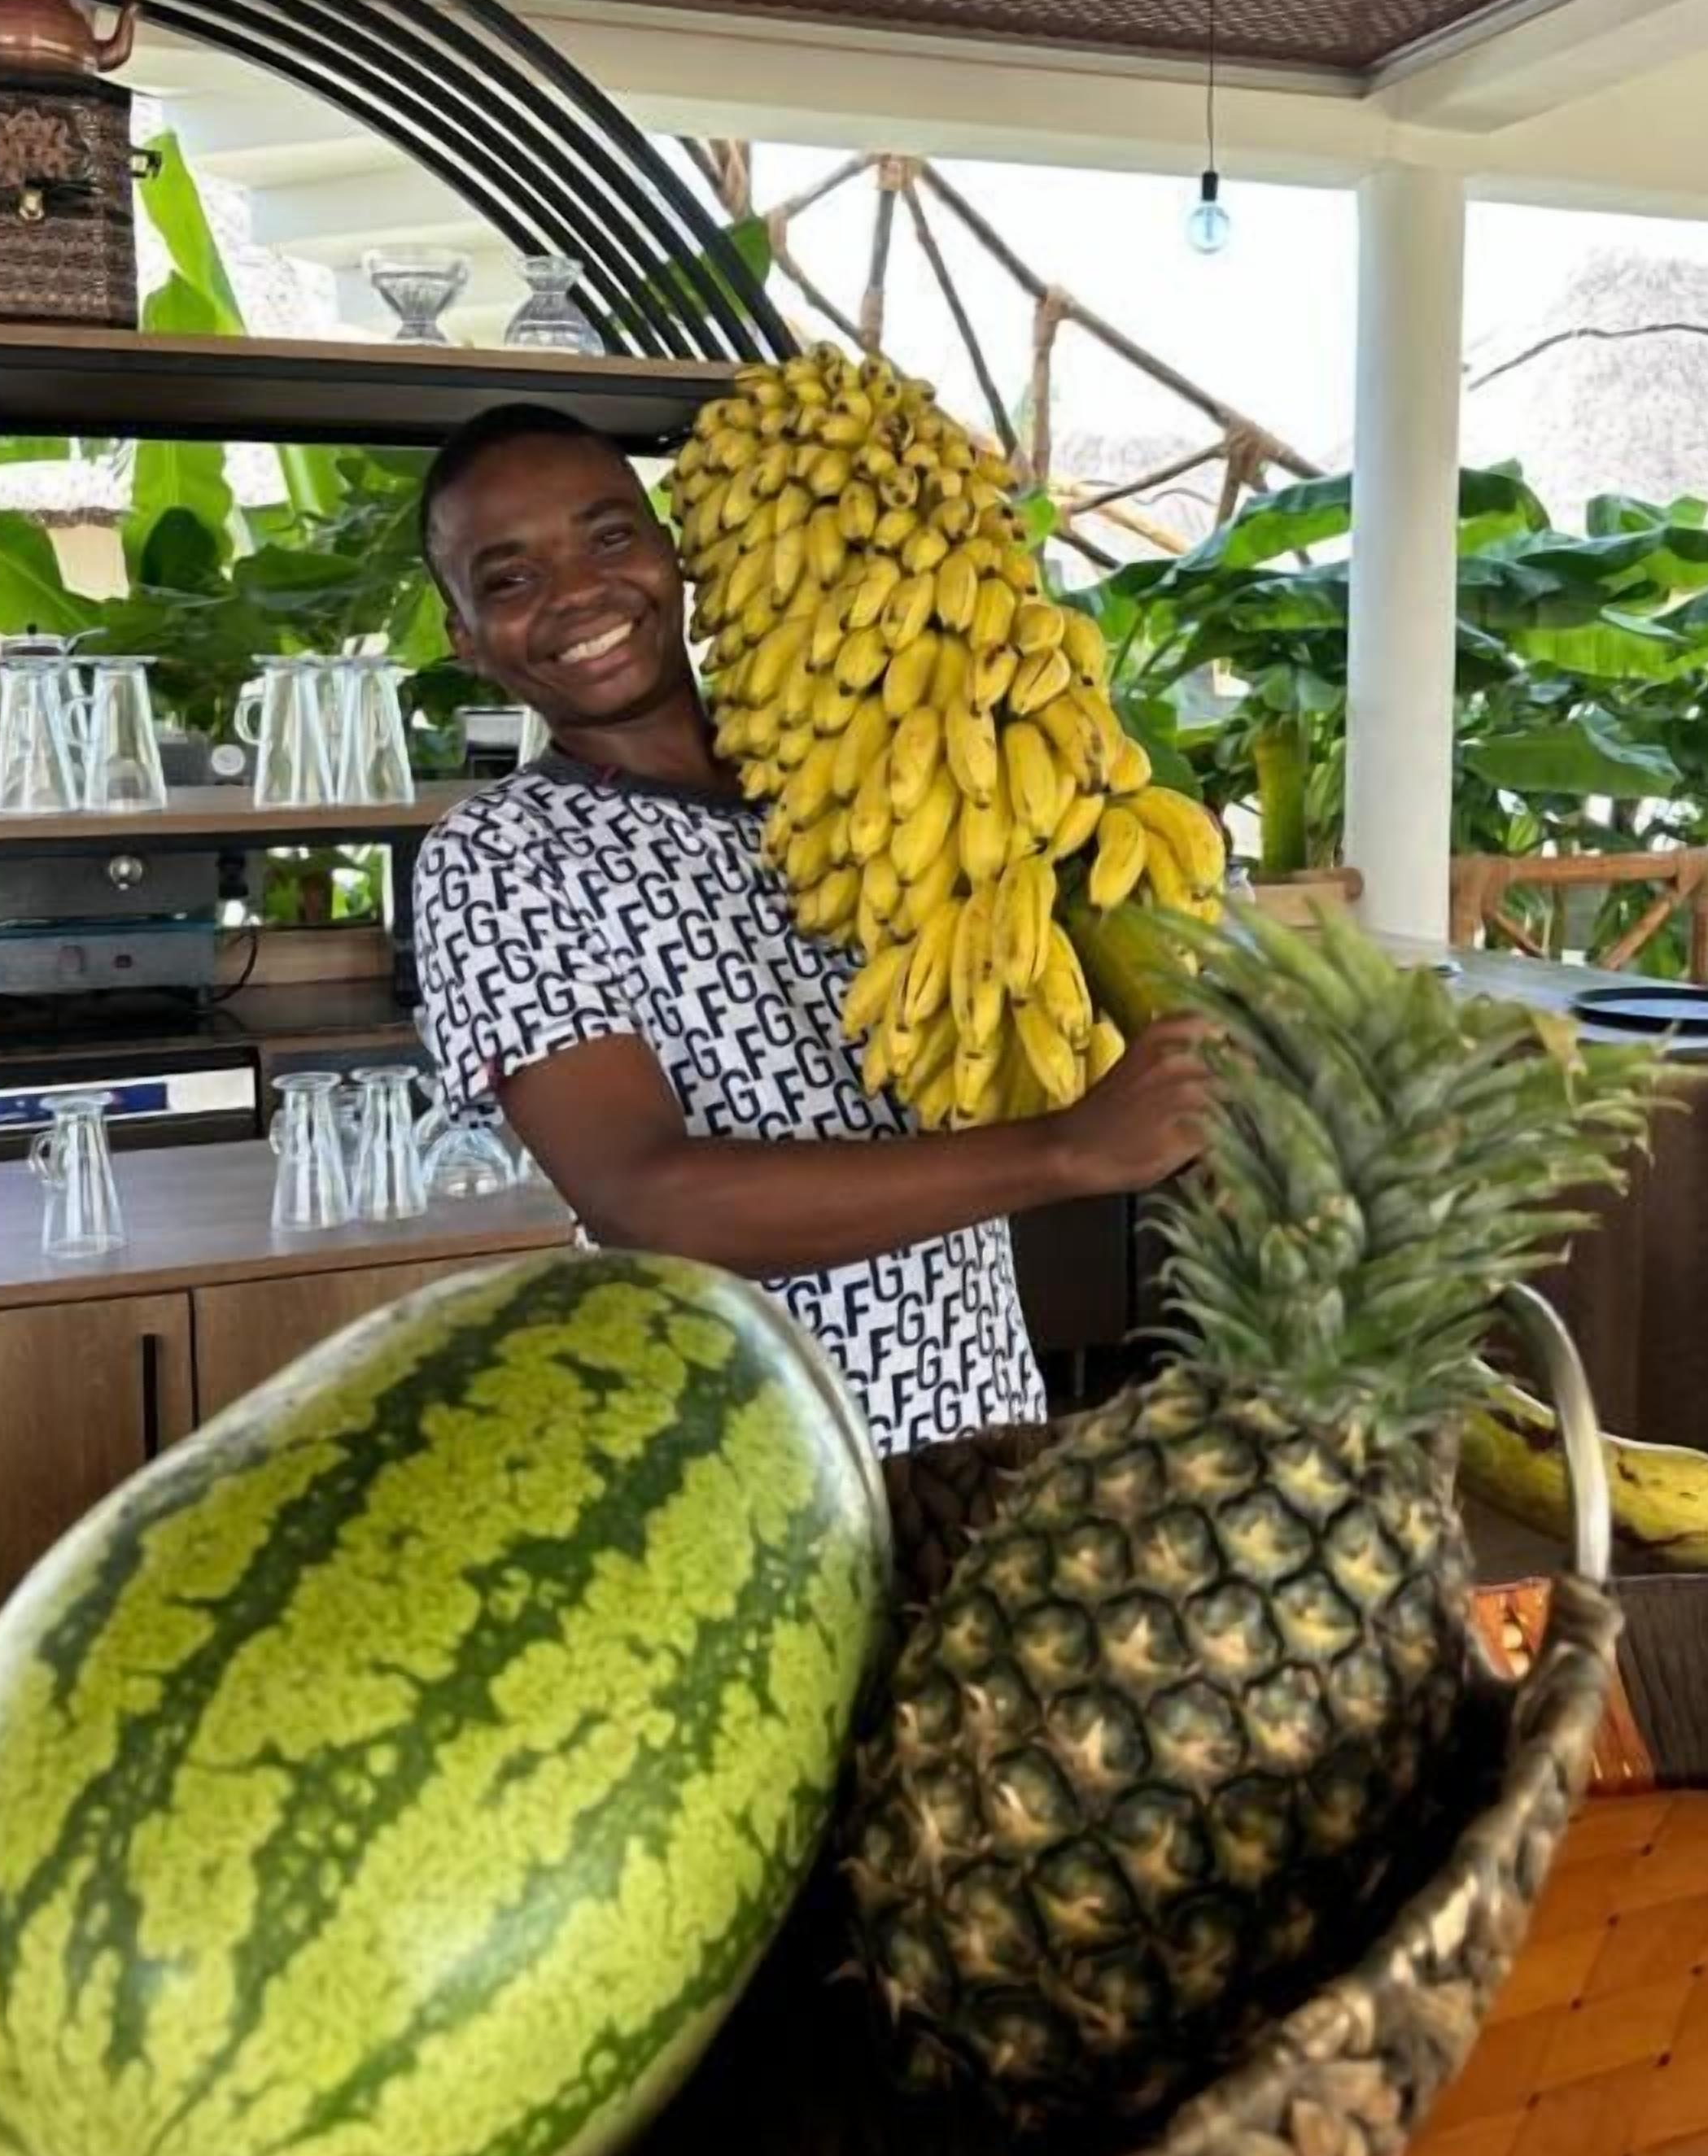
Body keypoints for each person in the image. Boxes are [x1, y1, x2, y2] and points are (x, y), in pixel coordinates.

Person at [412, 402, 1215, 1456]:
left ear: (674, 554)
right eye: (510, 579)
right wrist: (1067, 1153)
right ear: (465, 638)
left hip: (981, 1422)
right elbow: (644, 1199)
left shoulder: (878, 777)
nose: (577, 592)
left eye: (609, 537)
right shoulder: (502, 856)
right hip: (728, 1472)